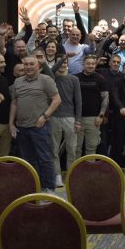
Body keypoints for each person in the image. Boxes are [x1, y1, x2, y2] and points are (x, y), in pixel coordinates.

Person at [9, 56, 62, 193]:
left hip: (40, 127)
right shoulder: (18, 82)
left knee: (45, 159)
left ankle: (49, 189)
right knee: (28, 160)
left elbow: (57, 100)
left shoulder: (46, 80)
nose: (28, 67)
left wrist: (45, 116)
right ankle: (34, 188)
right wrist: (11, 124)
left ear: (38, 66)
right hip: (22, 128)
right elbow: (14, 103)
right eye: (26, 64)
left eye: (32, 64)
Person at [51, 59, 82, 187]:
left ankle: (71, 175)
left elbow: (78, 101)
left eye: (65, 63)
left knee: (72, 149)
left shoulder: (74, 79)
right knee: (54, 150)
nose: (63, 65)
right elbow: (51, 70)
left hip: (70, 118)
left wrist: (78, 120)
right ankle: (57, 176)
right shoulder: (52, 78)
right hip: (54, 117)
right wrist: (61, 60)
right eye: (60, 63)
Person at [75, 55, 109, 159]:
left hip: (94, 119)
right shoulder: (75, 78)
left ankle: (89, 169)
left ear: (95, 65)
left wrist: (101, 116)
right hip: (77, 119)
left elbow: (105, 98)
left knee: (91, 147)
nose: (91, 66)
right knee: (76, 148)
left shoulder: (100, 78)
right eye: (88, 63)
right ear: (83, 64)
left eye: (93, 64)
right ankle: (76, 169)